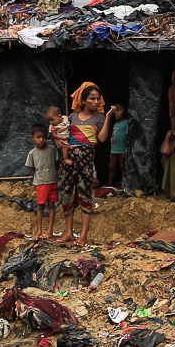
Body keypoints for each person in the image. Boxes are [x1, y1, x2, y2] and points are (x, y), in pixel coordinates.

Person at [57, 83, 117, 247]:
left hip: (85, 159)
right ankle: (69, 233)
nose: (96, 101)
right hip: (69, 159)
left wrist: (109, 118)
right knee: (68, 193)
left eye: (98, 99)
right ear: (83, 101)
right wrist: (59, 140)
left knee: (84, 194)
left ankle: (83, 235)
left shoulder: (100, 118)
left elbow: (102, 138)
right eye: (92, 98)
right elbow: (62, 136)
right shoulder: (71, 117)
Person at [26, 124, 58, 240]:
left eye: (43, 137)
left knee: (51, 205)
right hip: (40, 183)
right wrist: (37, 179)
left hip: (52, 181)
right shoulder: (32, 153)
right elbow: (32, 168)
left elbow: (57, 163)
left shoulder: (52, 150)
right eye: (38, 137)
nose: (41, 140)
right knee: (40, 206)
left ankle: (50, 230)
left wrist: (54, 175)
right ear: (32, 138)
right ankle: (39, 231)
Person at [108, 102, 130, 188]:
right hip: (114, 149)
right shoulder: (115, 124)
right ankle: (110, 183)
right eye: (114, 111)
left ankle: (123, 183)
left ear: (124, 111)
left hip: (122, 149)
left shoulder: (126, 123)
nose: (115, 113)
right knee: (111, 166)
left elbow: (129, 136)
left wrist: (127, 149)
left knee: (123, 166)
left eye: (118, 110)